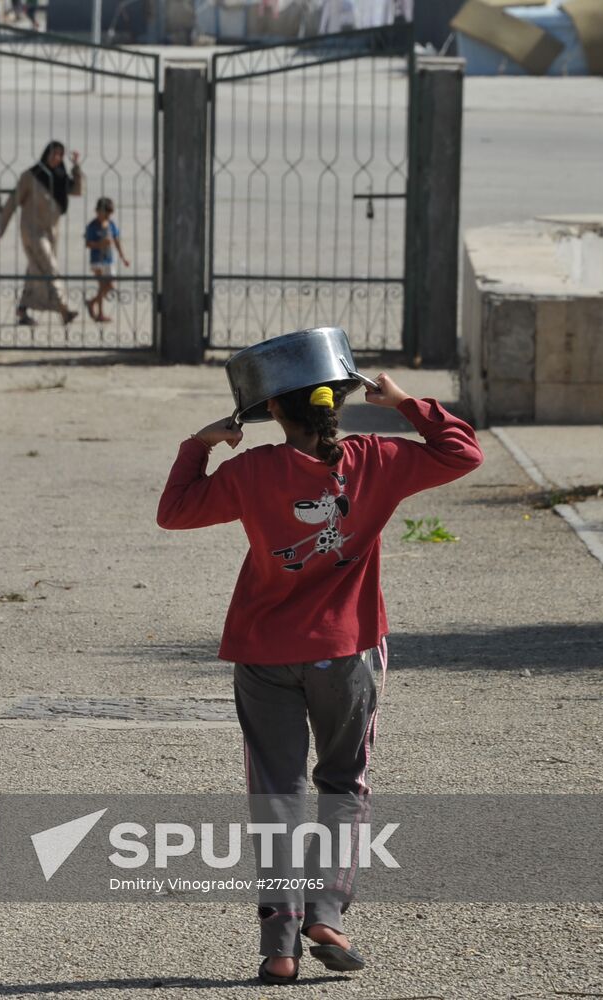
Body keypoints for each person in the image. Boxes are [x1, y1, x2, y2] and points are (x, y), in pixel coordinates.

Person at [156, 373, 482, 984]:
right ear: (338, 403)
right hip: (348, 652)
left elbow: (172, 512)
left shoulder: (251, 473)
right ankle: (326, 914)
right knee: (342, 784)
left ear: (272, 407)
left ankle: (280, 949)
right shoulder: (377, 458)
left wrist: (199, 445)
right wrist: (408, 404)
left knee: (276, 796)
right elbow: (463, 450)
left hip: (265, 653)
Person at [0, 140, 83, 327]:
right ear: (46, 154)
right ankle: (64, 310)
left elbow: (77, 191)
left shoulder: (60, 177)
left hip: (51, 233)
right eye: (53, 154)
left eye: (59, 154)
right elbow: (12, 202)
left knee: (35, 269)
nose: (56, 158)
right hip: (32, 231)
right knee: (50, 268)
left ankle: (23, 308)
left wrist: (76, 168)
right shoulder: (31, 176)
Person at [83, 196, 129, 323]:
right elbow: (88, 244)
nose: (108, 216)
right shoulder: (92, 226)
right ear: (98, 211)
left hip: (109, 259)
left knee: (109, 285)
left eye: (110, 214)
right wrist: (100, 244)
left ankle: (92, 302)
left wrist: (123, 257)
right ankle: (100, 314)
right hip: (97, 260)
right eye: (106, 213)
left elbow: (117, 241)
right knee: (102, 285)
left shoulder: (111, 224)